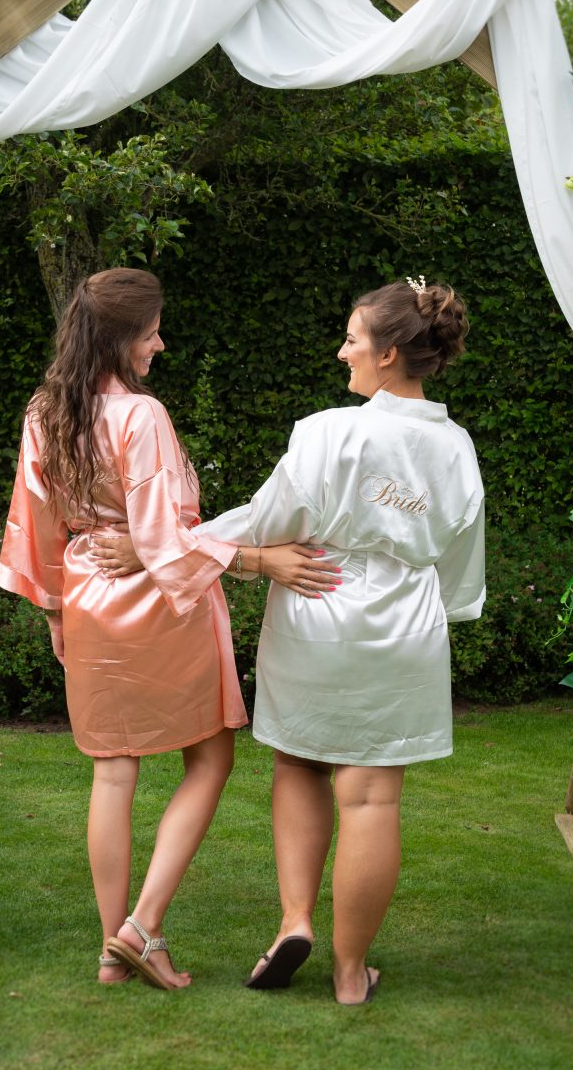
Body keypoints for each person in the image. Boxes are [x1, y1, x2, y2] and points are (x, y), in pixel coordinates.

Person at [94, 279, 484, 1004]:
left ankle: (295, 922)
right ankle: (350, 974)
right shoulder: (457, 448)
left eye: (352, 339)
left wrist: (159, 550)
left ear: (388, 353)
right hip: (406, 624)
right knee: (372, 799)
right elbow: (461, 572)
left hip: (316, 601)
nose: (342, 352)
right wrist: (441, 606)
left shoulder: (329, 432)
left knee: (300, 765)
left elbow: (266, 521)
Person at [0, 266, 338, 992]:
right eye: (151, 333)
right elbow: (161, 540)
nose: (159, 345)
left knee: (113, 770)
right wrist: (257, 560)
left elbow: (34, 519)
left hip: (88, 592)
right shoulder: (140, 415)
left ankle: (111, 952)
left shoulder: (44, 409)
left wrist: (56, 610)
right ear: (120, 337)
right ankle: (141, 928)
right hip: (160, 603)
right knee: (210, 759)